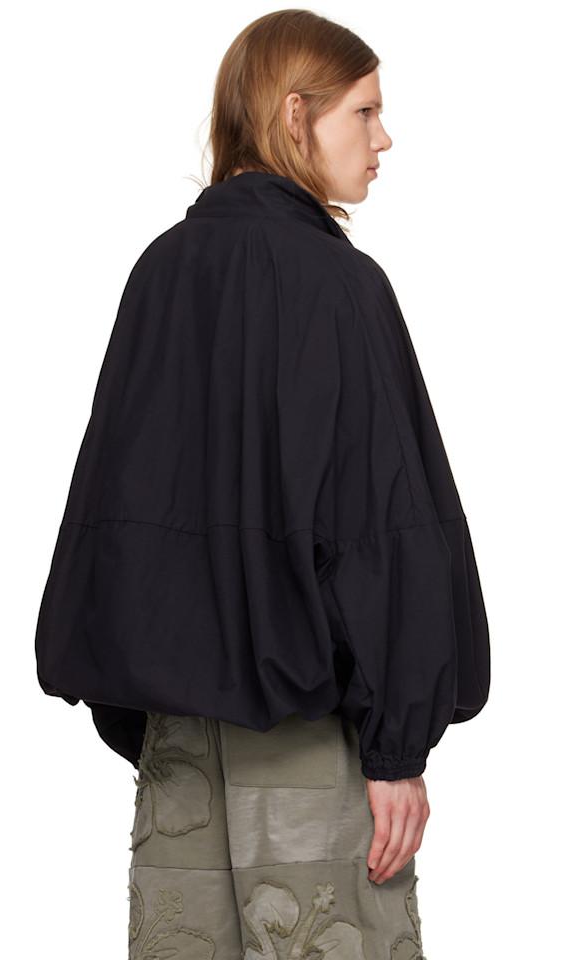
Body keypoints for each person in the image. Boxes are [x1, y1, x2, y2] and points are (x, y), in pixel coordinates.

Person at [34, 10, 490, 958]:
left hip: (178, 760)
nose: (383, 138)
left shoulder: (159, 274)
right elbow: (383, 523)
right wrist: (398, 748)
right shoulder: (338, 285)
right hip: (306, 750)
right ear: (294, 115)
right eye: (363, 111)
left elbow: (110, 522)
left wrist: (147, 722)